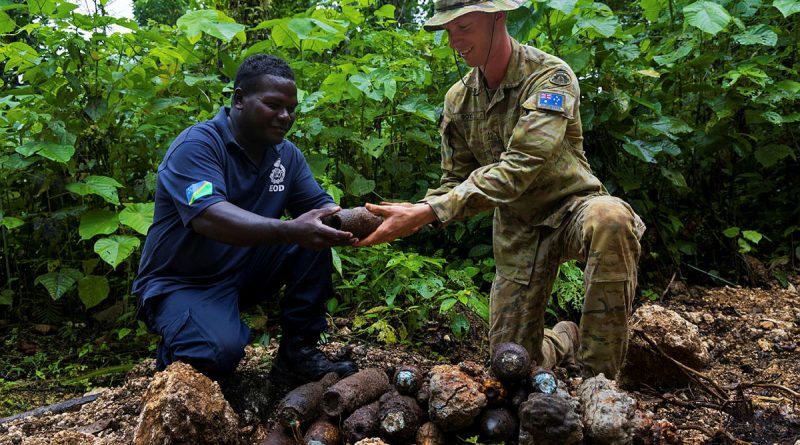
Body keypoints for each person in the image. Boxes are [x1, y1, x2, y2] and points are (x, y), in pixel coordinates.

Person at [357, 0, 645, 379]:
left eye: (464, 27)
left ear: (499, 17)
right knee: (510, 364)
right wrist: (412, 215)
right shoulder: (457, 100)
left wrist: (430, 211)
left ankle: (600, 383)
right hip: (518, 227)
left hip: (573, 208)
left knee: (612, 219)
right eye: (448, 30)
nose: (454, 41)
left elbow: (521, 167)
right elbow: (452, 184)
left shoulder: (550, 77)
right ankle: (563, 340)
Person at [132, 54, 358, 382]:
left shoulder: (286, 155)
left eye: (291, 108)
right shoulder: (197, 146)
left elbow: (322, 210)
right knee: (216, 354)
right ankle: (177, 359)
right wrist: (289, 230)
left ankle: (297, 354)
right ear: (239, 99)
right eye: (273, 105)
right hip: (181, 281)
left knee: (314, 237)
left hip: (241, 270)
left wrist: (374, 219)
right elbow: (209, 216)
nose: (285, 116)